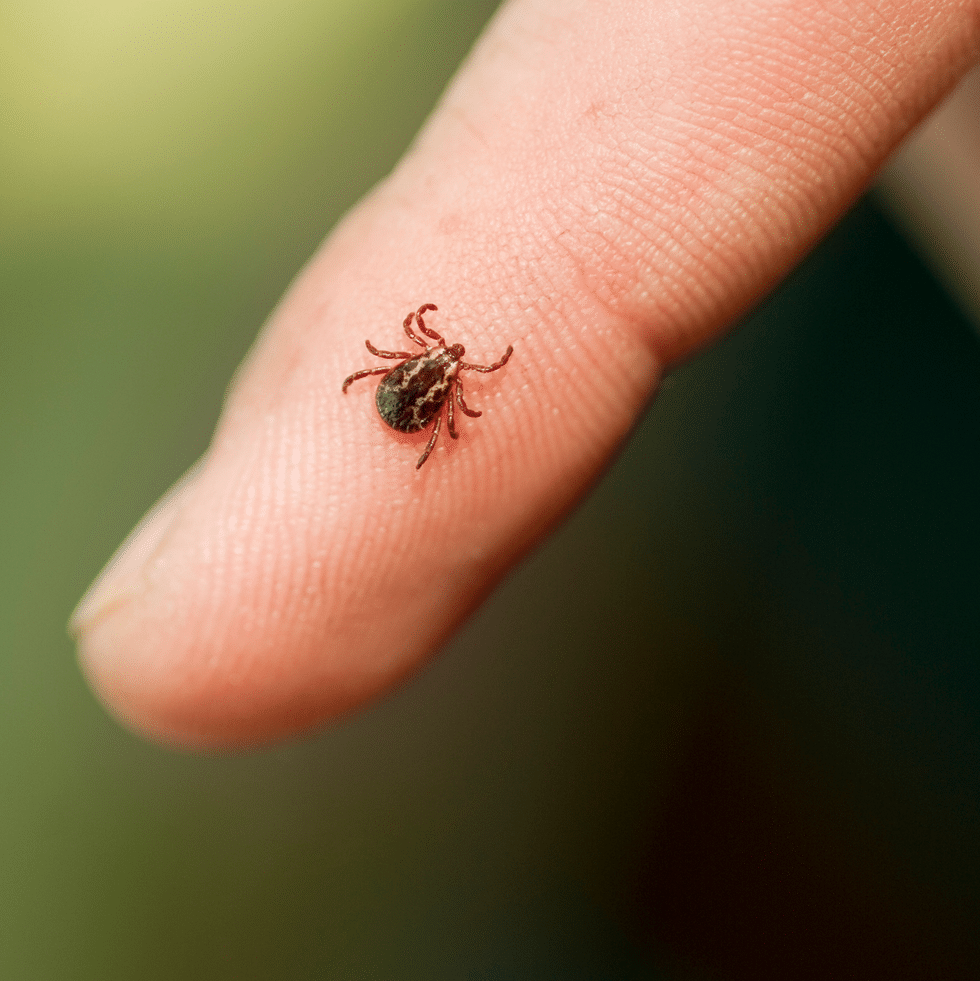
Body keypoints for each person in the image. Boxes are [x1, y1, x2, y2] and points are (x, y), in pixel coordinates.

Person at [70, 0, 980, 746]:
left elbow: (407, 385)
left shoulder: (420, 371)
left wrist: (414, 407)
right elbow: (429, 401)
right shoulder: (436, 380)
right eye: (438, 358)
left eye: (439, 362)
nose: (442, 367)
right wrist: (427, 420)